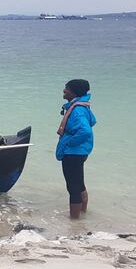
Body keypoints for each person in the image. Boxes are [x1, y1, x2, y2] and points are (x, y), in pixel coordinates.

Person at [56, 79, 97, 219]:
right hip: (79, 151)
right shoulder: (80, 106)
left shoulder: (78, 110)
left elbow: (85, 131)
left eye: (66, 88)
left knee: (73, 187)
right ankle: (82, 215)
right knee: (79, 184)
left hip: (73, 152)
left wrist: (69, 143)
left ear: (73, 92)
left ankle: (74, 221)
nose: (64, 90)